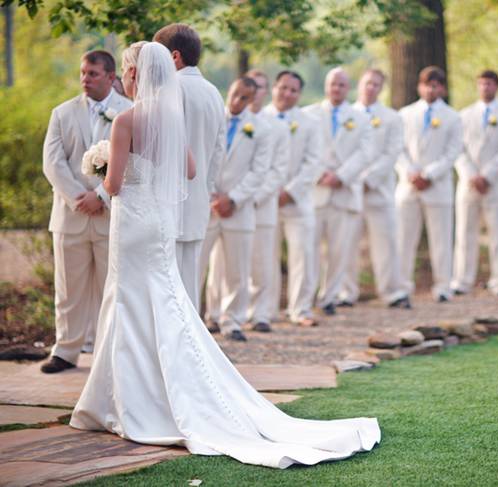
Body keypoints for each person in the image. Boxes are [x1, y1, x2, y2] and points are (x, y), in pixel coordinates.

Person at [70, 41, 380, 469]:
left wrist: (100, 170)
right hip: (158, 224)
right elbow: (191, 171)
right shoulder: (170, 117)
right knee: (165, 300)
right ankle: (143, 391)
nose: (124, 77)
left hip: (132, 224)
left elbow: (117, 184)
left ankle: (123, 400)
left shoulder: (125, 119)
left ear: (136, 75)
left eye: (126, 70)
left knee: (129, 302)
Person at [40, 50, 132, 373]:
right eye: (82, 72)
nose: (85, 79)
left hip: (110, 215)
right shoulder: (62, 113)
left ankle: (109, 354)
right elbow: (52, 162)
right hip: (70, 215)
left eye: (93, 73)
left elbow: (132, 163)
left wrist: (100, 197)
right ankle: (65, 351)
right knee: (68, 288)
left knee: (111, 287)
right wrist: (78, 196)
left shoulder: (130, 112)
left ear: (110, 77)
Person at [153, 23, 226, 311]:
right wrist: (205, 190)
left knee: (169, 286)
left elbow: (161, 149)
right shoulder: (213, 92)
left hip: (169, 201)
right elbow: (219, 152)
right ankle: (193, 351)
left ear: (174, 56)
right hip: (197, 202)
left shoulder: (170, 90)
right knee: (189, 284)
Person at [199, 77, 271, 342]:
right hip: (207, 205)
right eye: (234, 94)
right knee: (198, 264)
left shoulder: (260, 129)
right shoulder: (211, 120)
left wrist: (234, 199)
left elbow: (259, 171)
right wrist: (211, 196)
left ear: (252, 100)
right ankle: (197, 318)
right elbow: (201, 159)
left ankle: (232, 320)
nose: (237, 100)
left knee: (236, 270)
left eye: (244, 97)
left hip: (238, 209)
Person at [339, 68, 410, 309]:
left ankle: (392, 292)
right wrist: (354, 177)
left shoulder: (391, 118)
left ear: (382, 89)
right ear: (360, 84)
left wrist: (370, 179)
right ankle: (346, 292)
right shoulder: (347, 116)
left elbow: (392, 153)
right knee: (347, 243)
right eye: (368, 83)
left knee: (385, 242)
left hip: (379, 191)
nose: (371, 88)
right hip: (349, 189)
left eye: (377, 85)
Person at [304, 68, 373, 316]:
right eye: (333, 84)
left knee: (338, 249)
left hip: (343, 193)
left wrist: (341, 176)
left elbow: (365, 153)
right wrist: (319, 173)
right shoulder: (309, 114)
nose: (337, 89)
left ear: (348, 88)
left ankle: (330, 297)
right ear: (326, 86)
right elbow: (303, 149)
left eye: (342, 85)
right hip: (316, 190)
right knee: (309, 248)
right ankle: (306, 296)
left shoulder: (361, 118)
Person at [396, 66, 462, 303]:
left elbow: (453, 151)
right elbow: (397, 148)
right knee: (404, 238)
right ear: (419, 87)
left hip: (437, 187)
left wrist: (429, 174)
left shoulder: (453, 117)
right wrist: (410, 172)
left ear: (442, 88)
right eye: (426, 84)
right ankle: (402, 285)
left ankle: (443, 285)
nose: (430, 89)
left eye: (435, 85)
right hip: (409, 186)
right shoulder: (405, 114)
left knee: (441, 239)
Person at [451, 70, 498, 298]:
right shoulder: (465, 115)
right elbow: (457, 148)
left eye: (488, 84)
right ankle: (462, 279)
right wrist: (471, 174)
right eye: (481, 84)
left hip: (495, 183)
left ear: (496, 86)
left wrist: (487, 176)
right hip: (468, 184)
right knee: (464, 232)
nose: (484, 88)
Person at [263, 71, 320, 327]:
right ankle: (265, 309)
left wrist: (291, 191)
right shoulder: (259, 119)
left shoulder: (308, 123)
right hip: (266, 198)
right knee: (265, 254)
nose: (287, 94)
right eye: (283, 87)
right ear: (274, 88)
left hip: (298, 200)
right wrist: (270, 190)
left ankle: (301, 308)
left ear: (299, 94)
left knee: (302, 253)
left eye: (293, 90)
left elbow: (313, 162)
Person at [246, 69, 290, 332]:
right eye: (252, 85)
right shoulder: (230, 119)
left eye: (261, 86)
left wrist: (254, 197)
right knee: (226, 263)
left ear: (266, 91)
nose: (256, 91)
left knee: (264, 259)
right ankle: (217, 313)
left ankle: (261, 312)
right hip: (229, 205)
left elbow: (278, 170)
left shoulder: (277, 126)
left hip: (261, 204)